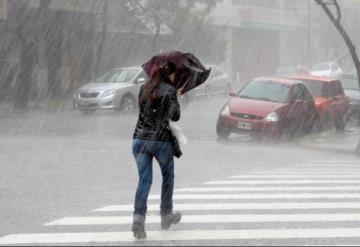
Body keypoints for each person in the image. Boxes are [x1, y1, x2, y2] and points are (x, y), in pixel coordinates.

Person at [132, 61, 182, 239]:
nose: (175, 77)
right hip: (160, 141)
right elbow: (175, 115)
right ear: (170, 75)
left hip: (139, 139)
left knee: (144, 180)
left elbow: (145, 111)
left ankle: (138, 219)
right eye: (175, 74)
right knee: (168, 177)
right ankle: (166, 215)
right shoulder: (170, 90)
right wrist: (176, 96)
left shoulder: (144, 88)